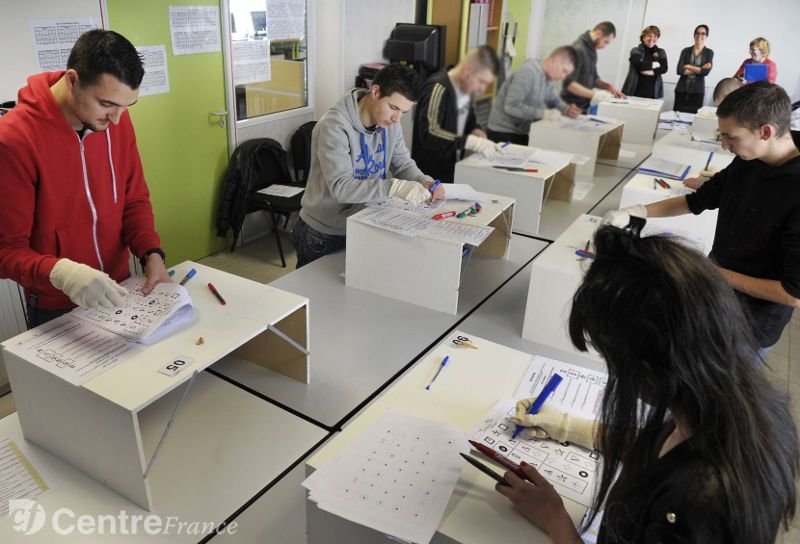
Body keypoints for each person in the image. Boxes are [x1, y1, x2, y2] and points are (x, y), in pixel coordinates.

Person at [497, 225, 799, 543]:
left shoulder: (690, 507)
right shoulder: (735, 400)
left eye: (614, 361)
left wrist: (557, 522)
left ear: (647, 368)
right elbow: (662, 446)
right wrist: (568, 426)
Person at [604, 82, 800, 354]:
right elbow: (696, 200)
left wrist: (715, 274)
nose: (723, 144)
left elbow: (793, 293)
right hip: (713, 295)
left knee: (721, 389)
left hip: (750, 325)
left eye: (731, 137)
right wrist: (638, 212)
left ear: (765, 131)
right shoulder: (749, 158)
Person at [0, 29, 169, 328]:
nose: (117, 119)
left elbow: (134, 199)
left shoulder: (116, 119)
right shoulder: (14, 140)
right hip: (57, 304)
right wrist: (64, 274)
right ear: (72, 81)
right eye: (106, 104)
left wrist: (151, 253)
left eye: (126, 106)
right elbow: (6, 251)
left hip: (120, 289)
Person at [293, 63, 445, 268]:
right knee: (317, 296)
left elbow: (403, 164)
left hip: (363, 223)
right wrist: (395, 187)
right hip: (323, 233)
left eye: (403, 112)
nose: (396, 119)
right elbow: (341, 188)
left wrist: (425, 182)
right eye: (394, 108)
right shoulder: (334, 126)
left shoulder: (390, 124)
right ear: (375, 91)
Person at [412, 45, 504, 183]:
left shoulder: (466, 90)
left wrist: (476, 130)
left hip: (453, 169)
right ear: (468, 70)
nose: (482, 89)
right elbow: (429, 134)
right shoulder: (437, 89)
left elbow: (468, 121)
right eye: (481, 82)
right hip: (430, 175)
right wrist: (470, 142)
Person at [486, 46, 582, 146]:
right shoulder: (528, 72)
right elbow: (511, 106)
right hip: (503, 133)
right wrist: (544, 114)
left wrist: (566, 109)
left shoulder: (548, 77)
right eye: (564, 71)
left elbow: (552, 99)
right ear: (556, 60)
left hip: (521, 132)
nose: (563, 77)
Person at [561, 21, 626, 112]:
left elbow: (594, 78)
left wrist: (608, 86)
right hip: (570, 107)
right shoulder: (578, 49)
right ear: (599, 33)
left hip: (583, 106)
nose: (604, 46)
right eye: (606, 42)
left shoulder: (592, 51)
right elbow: (569, 84)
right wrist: (595, 95)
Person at [674, 25, 714, 113]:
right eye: (698, 33)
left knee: (692, 119)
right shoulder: (685, 51)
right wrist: (700, 68)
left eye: (703, 33)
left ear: (706, 36)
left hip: (697, 91)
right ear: (694, 35)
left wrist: (687, 66)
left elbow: (705, 72)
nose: (700, 35)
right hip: (681, 89)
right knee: (676, 117)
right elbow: (679, 70)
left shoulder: (709, 53)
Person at [621, 25, 668, 99]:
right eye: (649, 36)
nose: (652, 39)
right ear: (643, 37)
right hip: (635, 89)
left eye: (655, 36)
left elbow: (664, 68)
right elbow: (639, 65)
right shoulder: (635, 50)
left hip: (653, 91)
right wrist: (655, 64)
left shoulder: (661, 52)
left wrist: (650, 72)